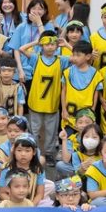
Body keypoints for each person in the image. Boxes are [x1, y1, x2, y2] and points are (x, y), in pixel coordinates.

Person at [22, 30, 70, 161]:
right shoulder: (36, 58)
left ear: (57, 45)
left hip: (52, 103)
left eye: (53, 44)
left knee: (51, 131)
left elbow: (78, 58)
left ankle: (49, 153)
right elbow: (22, 49)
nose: (50, 47)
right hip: (36, 102)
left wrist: (66, 44)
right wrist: (36, 42)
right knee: (34, 130)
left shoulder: (61, 60)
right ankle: (34, 152)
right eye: (47, 44)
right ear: (42, 45)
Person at [10, 0, 53, 85]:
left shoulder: (49, 26)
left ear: (45, 11)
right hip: (23, 69)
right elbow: (16, 49)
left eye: (40, 9)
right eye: (33, 8)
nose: (36, 11)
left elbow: (46, 42)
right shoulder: (22, 26)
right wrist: (20, 70)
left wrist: (39, 23)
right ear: (29, 10)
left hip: (41, 68)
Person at [61, 40, 102, 130]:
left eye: (78, 55)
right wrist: (63, 110)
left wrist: (93, 110)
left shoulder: (95, 74)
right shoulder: (68, 72)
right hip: (69, 114)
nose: (75, 58)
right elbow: (63, 91)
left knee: (85, 136)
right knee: (68, 137)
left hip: (86, 116)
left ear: (88, 56)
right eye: (73, 55)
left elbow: (96, 93)